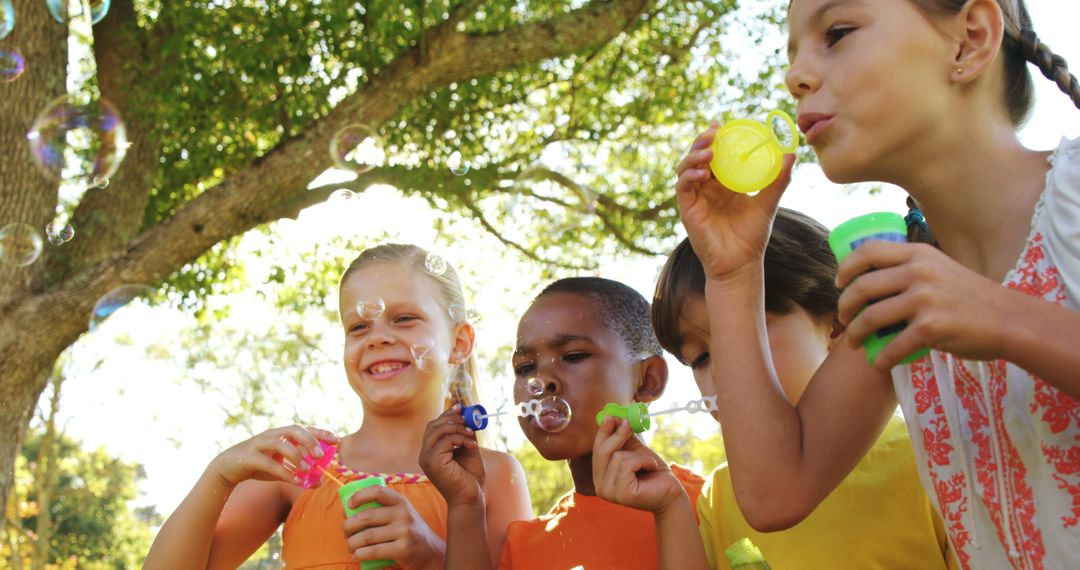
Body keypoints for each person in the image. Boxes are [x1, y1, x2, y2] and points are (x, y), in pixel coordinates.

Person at [674, 0, 1080, 567]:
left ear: (969, 39)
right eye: (792, 56)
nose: (796, 77)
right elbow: (774, 493)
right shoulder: (900, 291)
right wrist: (734, 272)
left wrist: (1004, 319)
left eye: (836, 33)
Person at [599, 209, 953, 568]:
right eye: (701, 357)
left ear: (837, 326)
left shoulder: (935, 460)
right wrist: (669, 506)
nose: (727, 373)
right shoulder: (720, 498)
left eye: (749, 338)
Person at [145, 243, 532, 569]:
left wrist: (431, 555)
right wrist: (219, 475)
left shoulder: (492, 476)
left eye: (405, 318)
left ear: (460, 342)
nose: (378, 337)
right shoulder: (303, 470)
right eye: (359, 327)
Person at [420, 276, 705, 569]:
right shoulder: (524, 548)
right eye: (525, 367)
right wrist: (466, 504)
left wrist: (671, 511)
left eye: (573, 355)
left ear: (648, 380)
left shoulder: (708, 504)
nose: (541, 381)